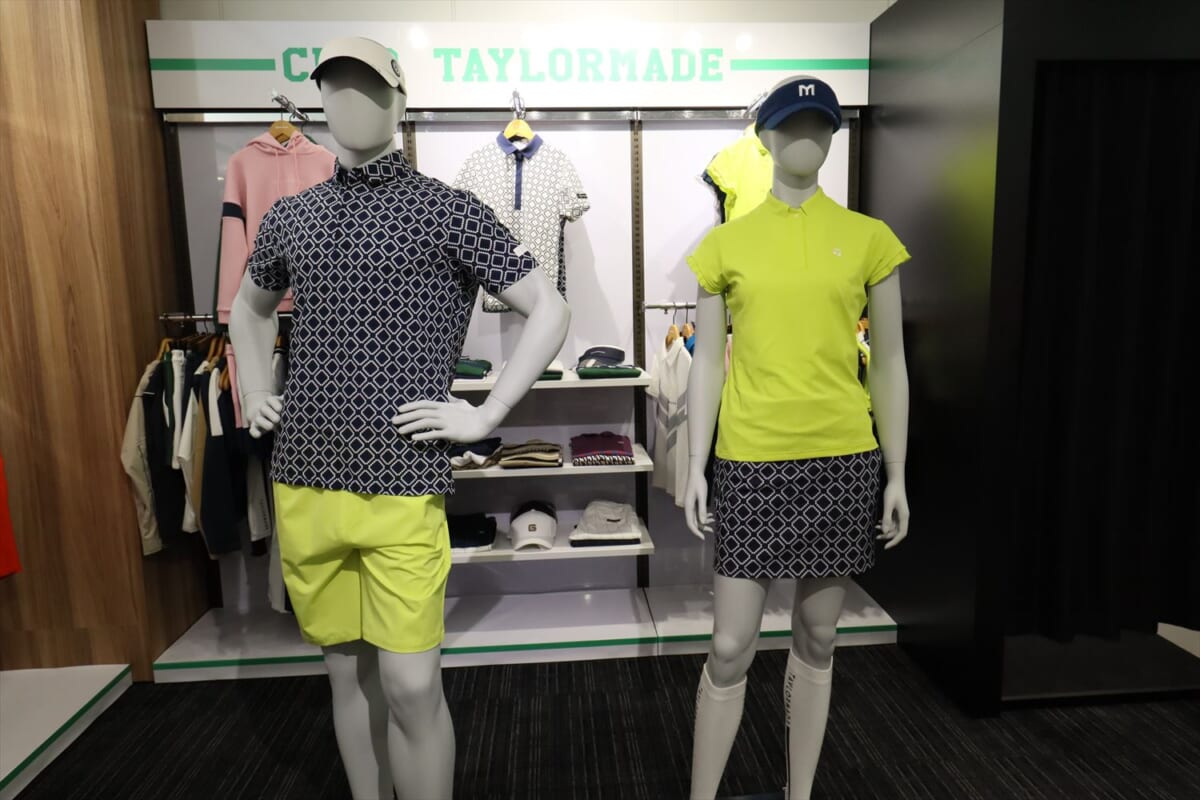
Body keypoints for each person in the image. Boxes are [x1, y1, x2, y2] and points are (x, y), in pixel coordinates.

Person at [228, 37, 569, 800]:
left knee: (412, 685)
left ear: (400, 101)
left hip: (403, 480)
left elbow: (549, 308)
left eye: (369, 87)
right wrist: (253, 386)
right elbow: (248, 311)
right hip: (306, 478)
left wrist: (488, 412)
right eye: (335, 87)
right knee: (348, 678)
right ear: (318, 100)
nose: (350, 102)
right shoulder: (291, 216)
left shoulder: (448, 211)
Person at [681, 76, 911, 800]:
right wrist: (695, 463)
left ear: (835, 136)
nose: (804, 138)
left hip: (842, 459)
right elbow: (707, 362)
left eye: (819, 125)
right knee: (729, 647)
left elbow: (891, 363)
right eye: (790, 125)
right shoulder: (724, 245)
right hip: (751, 459)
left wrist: (898, 472)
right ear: (765, 137)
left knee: (819, 639)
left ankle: (798, 792)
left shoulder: (870, 240)